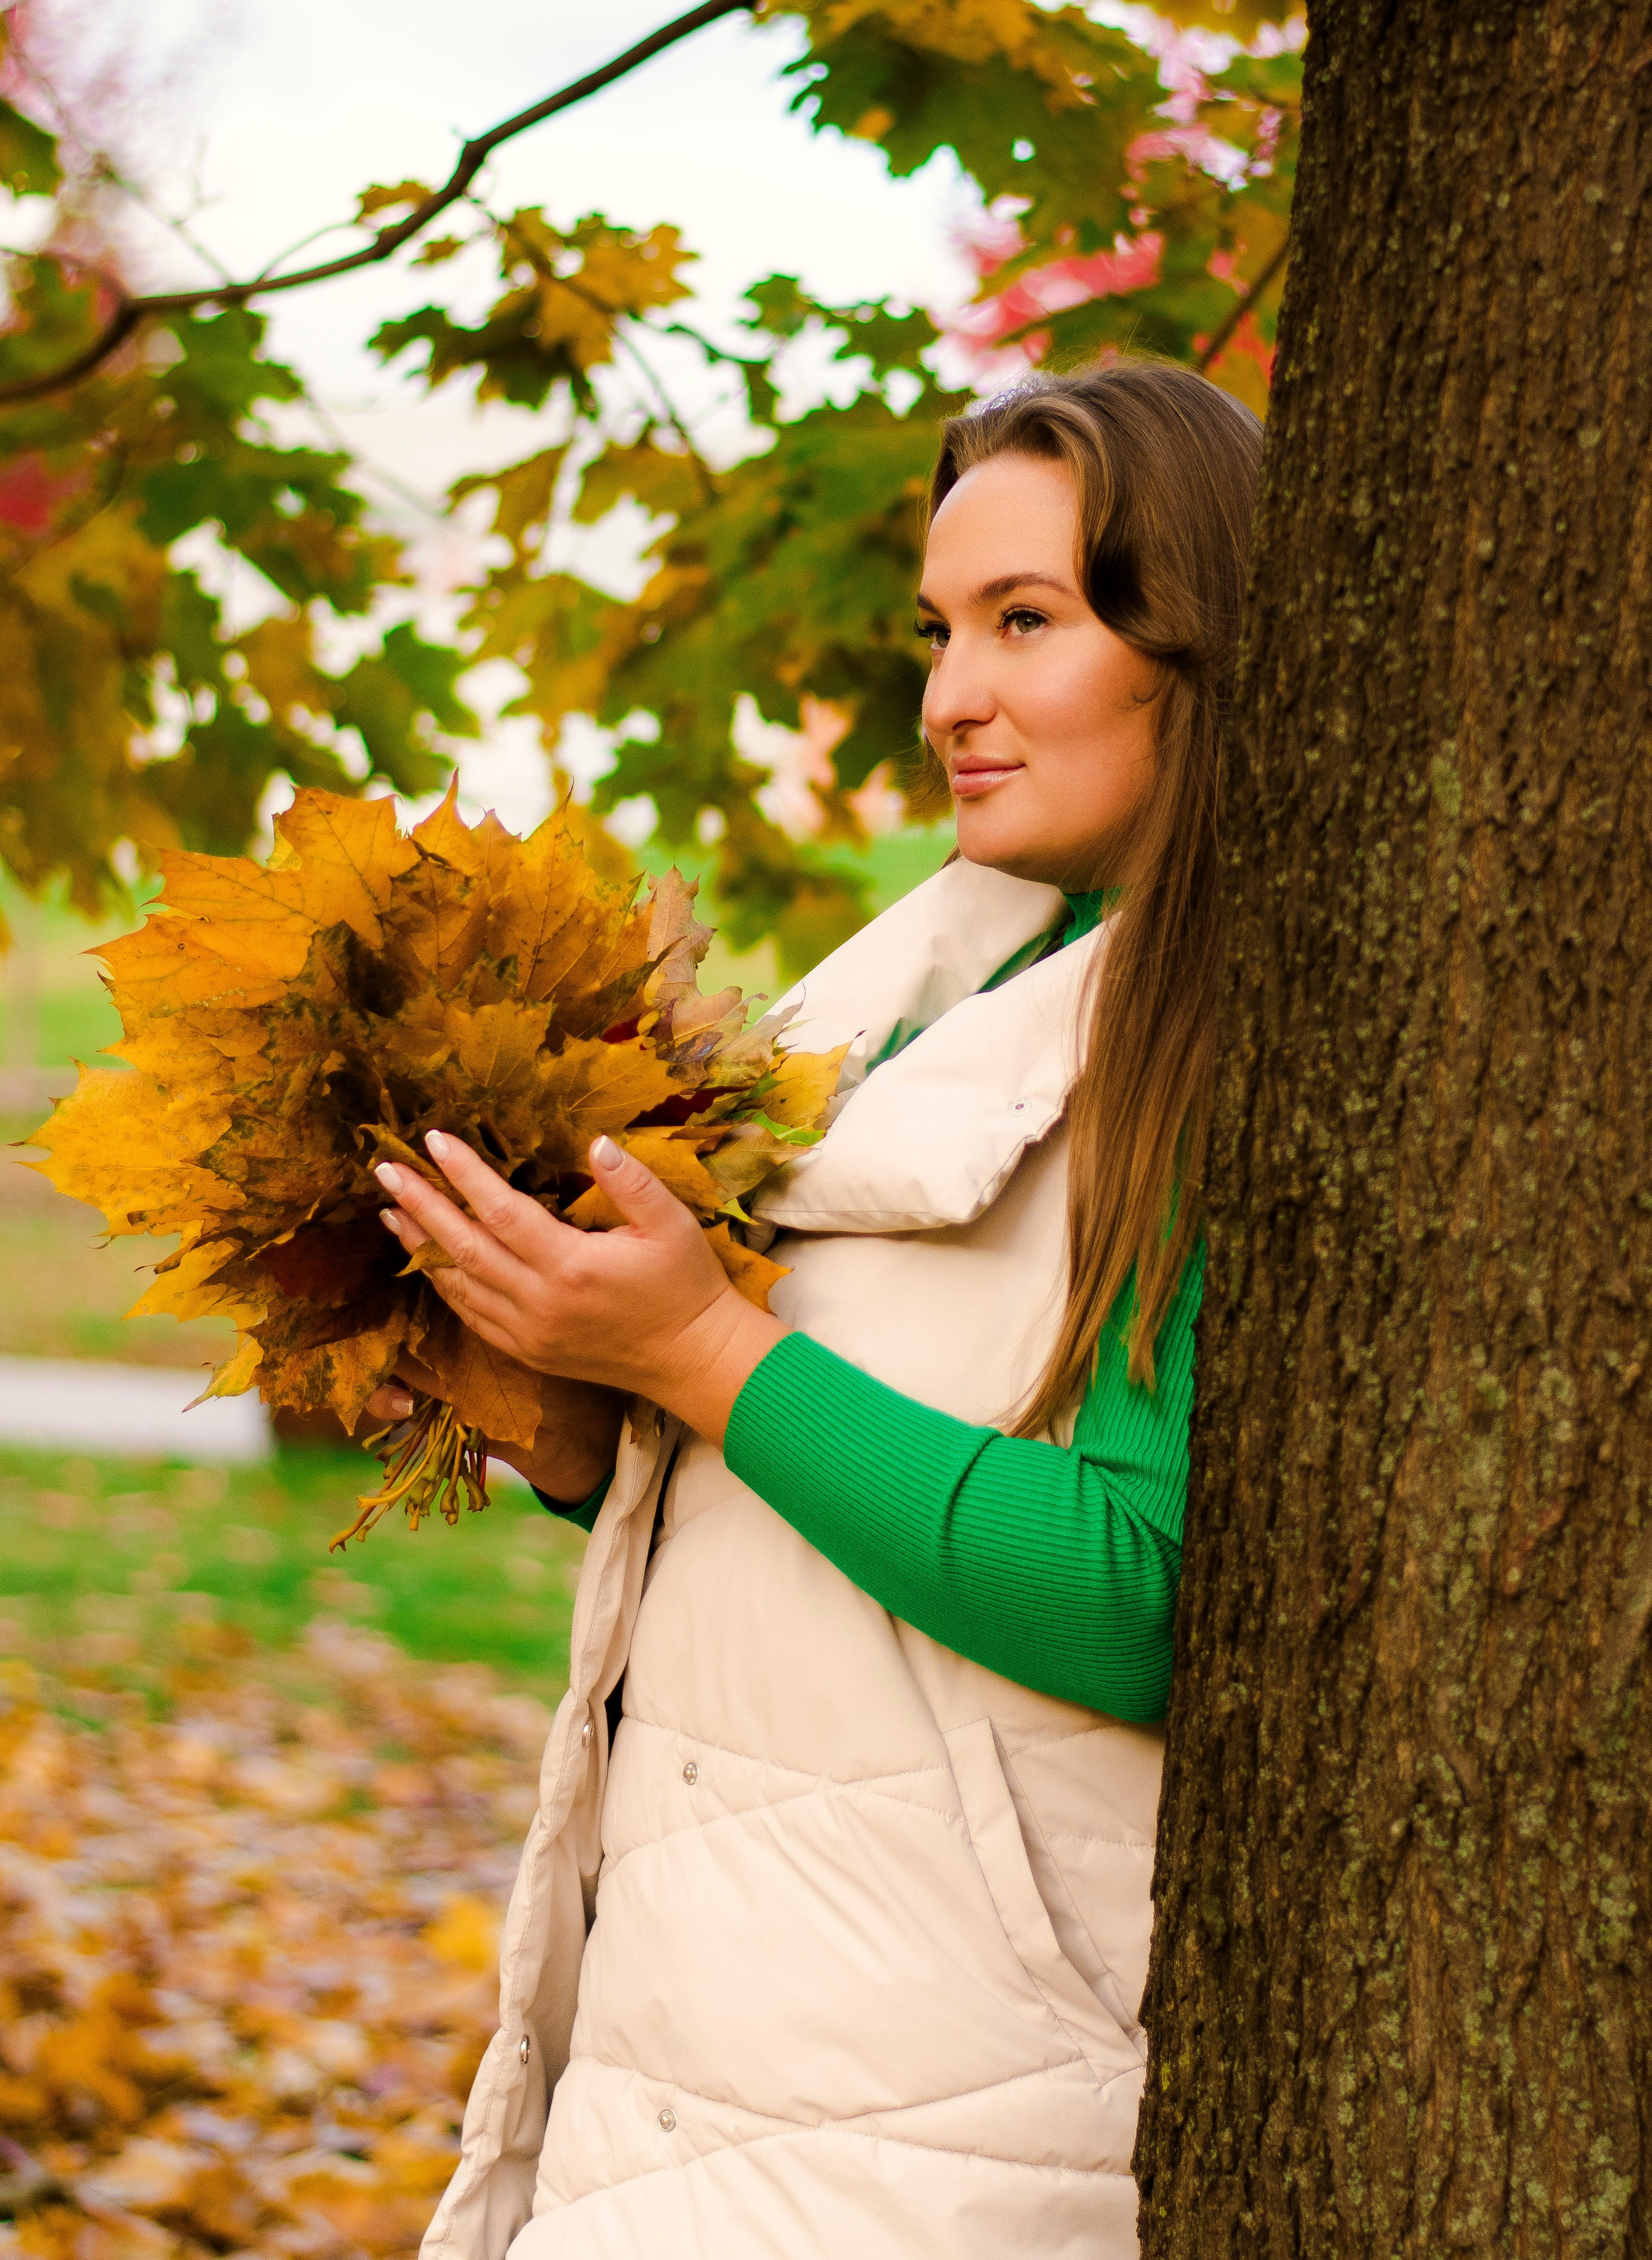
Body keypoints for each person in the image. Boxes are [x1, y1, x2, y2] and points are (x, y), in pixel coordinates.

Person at [368, 357, 1261, 2259]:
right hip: (703, 2027)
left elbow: (1144, 1590)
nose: (951, 698)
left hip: (951, 2112)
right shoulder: (919, 1005)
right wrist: (584, 1412)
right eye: (941, 630)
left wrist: (704, 1350)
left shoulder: (1224, 1040)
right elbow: (822, 1476)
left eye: (1029, 622)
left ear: (1197, 638)